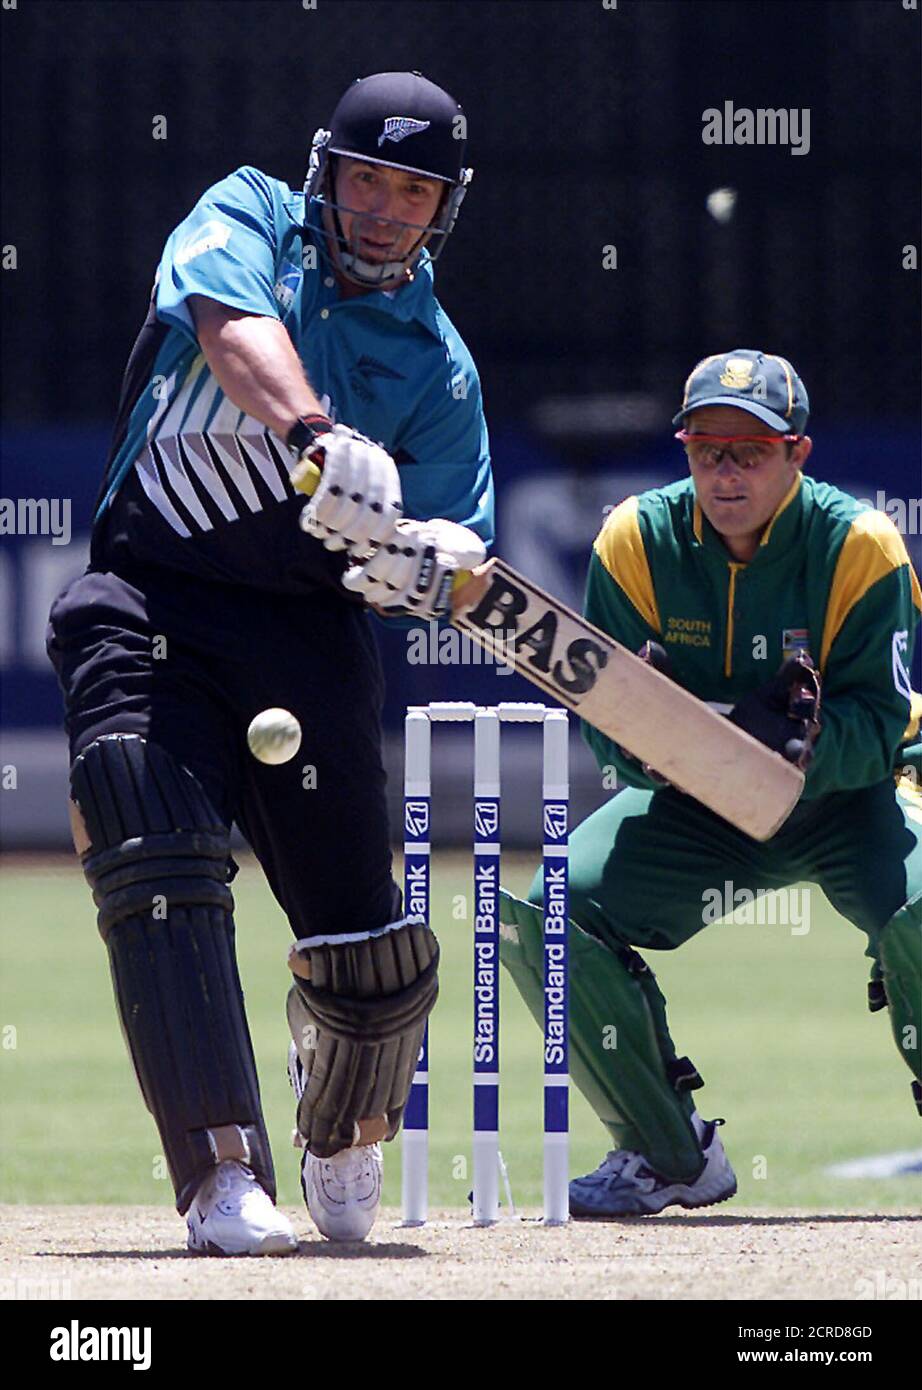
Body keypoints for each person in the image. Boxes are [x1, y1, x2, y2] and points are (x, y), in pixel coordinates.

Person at [47, 71, 493, 1252]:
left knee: (370, 949)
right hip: (156, 592)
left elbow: (457, 554)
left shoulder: (439, 367)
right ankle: (218, 1173)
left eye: (414, 189)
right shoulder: (243, 214)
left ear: (441, 207)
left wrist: (430, 565)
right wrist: (314, 433)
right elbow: (229, 328)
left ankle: (340, 1128)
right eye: (367, 180)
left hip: (305, 633)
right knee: (148, 839)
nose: (386, 209)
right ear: (324, 175)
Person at [499, 349, 922, 1216]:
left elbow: (885, 724)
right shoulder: (634, 542)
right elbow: (604, 724)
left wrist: (798, 747)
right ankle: (668, 1156)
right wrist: (658, 749)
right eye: (706, 450)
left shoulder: (861, 545)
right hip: (697, 808)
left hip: (847, 803)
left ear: (798, 455)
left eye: (752, 452)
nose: (725, 473)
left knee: (919, 906)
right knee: (547, 914)